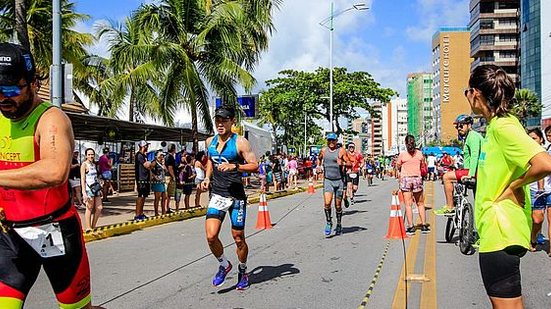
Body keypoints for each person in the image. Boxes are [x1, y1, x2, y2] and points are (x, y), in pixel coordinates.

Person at [0, 42, 102, 308]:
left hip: (53, 230)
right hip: (10, 233)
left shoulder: (51, 119)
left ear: (34, 83)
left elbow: (54, 171)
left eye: (11, 89)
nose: (3, 98)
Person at [466, 64, 551, 308]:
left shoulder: (503, 127)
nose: (467, 96)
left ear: (477, 94)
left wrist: (513, 186)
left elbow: (544, 162)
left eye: (467, 91)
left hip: (500, 233)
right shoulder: (497, 126)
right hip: (498, 231)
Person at [200, 105, 258, 290]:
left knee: (238, 238)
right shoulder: (210, 141)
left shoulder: (240, 142)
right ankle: (224, 265)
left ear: (233, 122)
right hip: (218, 193)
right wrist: (207, 177)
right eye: (217, 120)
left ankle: (243, 270)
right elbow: (210, 160)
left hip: (236, 196)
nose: (220, 124)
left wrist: (236, 167)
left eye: (224, 120)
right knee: (211, 236)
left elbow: (255, 165)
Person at [434, 114, 483, 215]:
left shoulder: (473, 137)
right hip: (474, 171)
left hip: (476, 172)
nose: (459, 128)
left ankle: (450, 207)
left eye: (461, 126)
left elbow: (475, 156)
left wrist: (471, 175)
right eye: (457, 126)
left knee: (446, 177)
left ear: (469, 125)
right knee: (479, 203)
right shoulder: (469, 137)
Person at [397, 134, 429, 235]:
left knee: (408, 205)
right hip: (417, 179)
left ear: (406, 144)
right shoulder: (419, 154)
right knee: (420, 203)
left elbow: (398, 166)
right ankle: (424, 225)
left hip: (406, 179)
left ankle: (411, 227)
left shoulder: (402, 155)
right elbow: (423, 166)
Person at [317, 132, 347, 236]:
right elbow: (319, 158)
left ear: (336, 141)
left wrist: (342, 163)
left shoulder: (341, 151)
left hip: (339, 181)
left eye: (333, 140)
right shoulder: (324, 150)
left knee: (338, 205)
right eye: (329, 140)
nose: (331, 142)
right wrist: (318, 166)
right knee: (327, 203)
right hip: (328, 180)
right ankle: (329, 222)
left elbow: (349, 163)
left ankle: (339, 223)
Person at [526, 128, 551, 254]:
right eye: (529, 138)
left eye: (534, 138)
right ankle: (533, 237)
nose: (532, 141)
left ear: (541, 139)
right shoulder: (526, 154)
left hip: (549, 190)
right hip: (535, 191)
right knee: (537, 220)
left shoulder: (547, 152)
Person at [81, 148, 103, 231]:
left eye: (92, 154)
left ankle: (93, 225)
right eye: (89, 154)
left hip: (96, 188)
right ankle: (88, 227)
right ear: (86, 156)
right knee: (89, 207)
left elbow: (95, 177)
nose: (91, 156)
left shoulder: (94, 165)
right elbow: (83, 179)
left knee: (99, 207)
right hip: (88, 189)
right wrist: (84, 193)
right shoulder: (84, 165)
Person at [135, 140, 154, 220]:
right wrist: (153, 162)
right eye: (146, 146)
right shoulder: (139, 155)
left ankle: (141, 213)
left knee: (144, 197)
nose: (147, 147)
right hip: (141, 179)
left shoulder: (144, 156)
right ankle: (137, 214)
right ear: (143, 146)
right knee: (141, 196)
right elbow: (147, 165)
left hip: (145, 179)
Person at [343, 142, 364, 207]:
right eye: (350, 147)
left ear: (354, 148)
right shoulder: (345, 154)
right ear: (348, 148)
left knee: (355, 188)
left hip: (355, 172)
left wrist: (360, 167)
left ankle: (350, 193)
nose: (351, 148)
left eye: (352, 147)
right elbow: (342, 161)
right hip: (348, 172)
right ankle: (351, 198)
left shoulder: (358, 155)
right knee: (349, 186)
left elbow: (362, 161)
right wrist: (345, 167)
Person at [151, 150, 168, 216]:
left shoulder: (162, 163)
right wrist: (155, 177)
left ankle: (163, 211)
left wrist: (163, 164)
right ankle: (156, 212)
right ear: (156, 156)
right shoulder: (154, 162)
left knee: (164, 197)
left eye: (163, 155)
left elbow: (166, 170)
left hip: (163, 181)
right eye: (161, 155)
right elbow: (150, 169)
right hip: (157, 182)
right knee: (157, 198)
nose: (162, 156)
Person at [164, 144, 177, 213]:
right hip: (169, 176)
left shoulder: (166, 156)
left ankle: (167, 207)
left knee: (168, 194)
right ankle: (166, 208)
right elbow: (170, 167)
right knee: (168, 193)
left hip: (167, 175)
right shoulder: (170, 157)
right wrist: (173, 176)